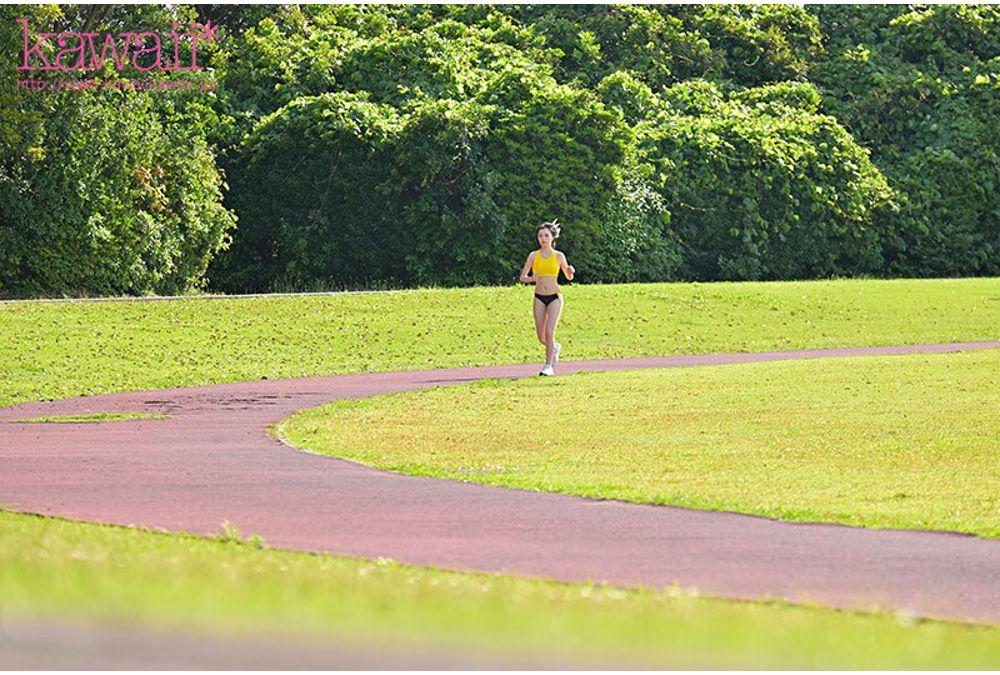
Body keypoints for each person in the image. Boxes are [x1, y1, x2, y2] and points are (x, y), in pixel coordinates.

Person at [518, 219, 575, 376]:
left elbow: (568, 277)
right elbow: (523, 276)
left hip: (555, 297)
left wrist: (570, 271)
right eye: (540, 236)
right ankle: (554, 348)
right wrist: (532, 278)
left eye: (546, 236)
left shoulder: (558, 256)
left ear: (552, 238)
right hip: (539, 297)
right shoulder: (533, 256)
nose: (543, 239)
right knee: (541, 336)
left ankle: (548, 366)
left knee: (550, 331)